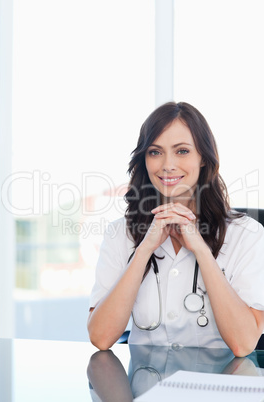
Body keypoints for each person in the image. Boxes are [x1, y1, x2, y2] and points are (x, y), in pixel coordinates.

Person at [87, 101, 264, 356]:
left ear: (203, 157)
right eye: (155, 152)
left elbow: (243, 343)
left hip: (215, 387)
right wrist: (145, 249)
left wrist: (201, 251)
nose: (167, 164)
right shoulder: (120, 233)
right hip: (145, 387)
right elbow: (100, 337)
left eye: (182, 151)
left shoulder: (246, 234)